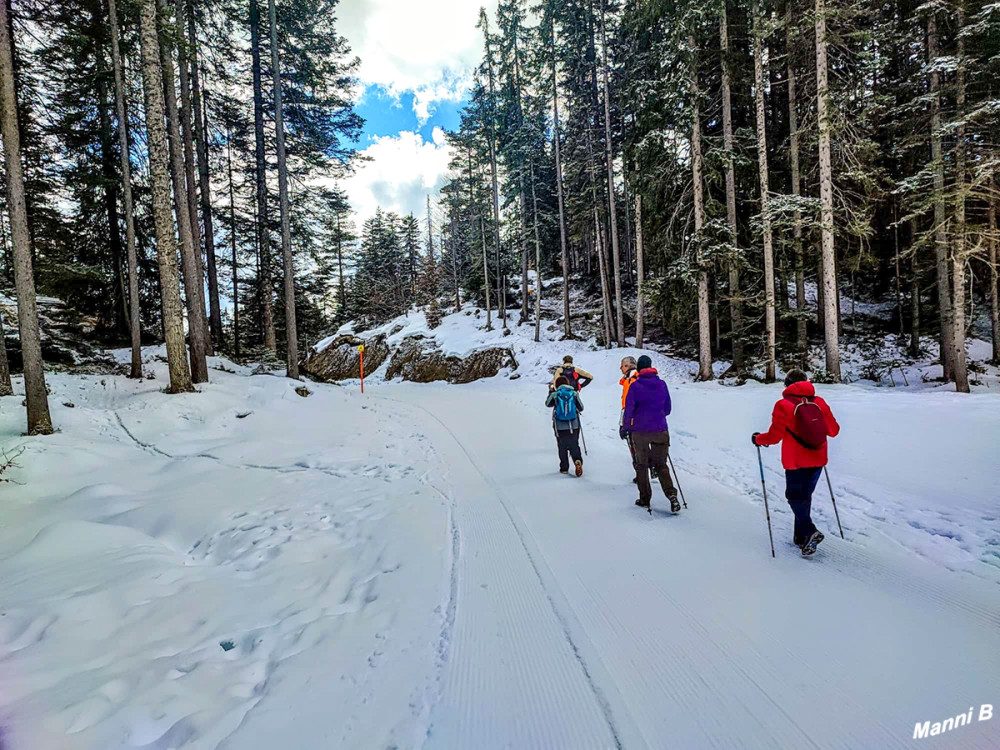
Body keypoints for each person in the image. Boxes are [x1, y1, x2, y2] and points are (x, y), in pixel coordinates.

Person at [752, 369, 841, 556]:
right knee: (804, 497)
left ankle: (809, 530)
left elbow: (775, 436)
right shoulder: (820, 402)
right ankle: (801, 539)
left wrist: (758, 439)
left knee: (794, 497)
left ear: (787, 385)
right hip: (818, 458)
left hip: (796, 461)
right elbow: (833, 431)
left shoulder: (783, 405)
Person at [621, 355, 680, 512]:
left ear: (639, 368)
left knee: (642, 465)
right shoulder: (661, 384)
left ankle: (645, 499)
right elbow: (667, 409)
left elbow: (629, 410)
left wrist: (625, 427)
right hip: (660, 430)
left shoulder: (635, 386)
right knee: (661, 465)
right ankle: (672, 495)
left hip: (640, 432)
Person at [546, 376, 585, 476]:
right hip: (574, 425)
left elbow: (547, 404)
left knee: (562, 446)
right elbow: (581, 407)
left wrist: (550, 392)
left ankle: (564, 467)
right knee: (574, 444)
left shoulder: (555, 394)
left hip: (560, 427)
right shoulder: (574, 393)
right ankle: (577, 460)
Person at [618, 356, 639, 482]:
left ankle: (641, 472)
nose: (620, 368)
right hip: (629, 414)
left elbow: (629, 403)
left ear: (627, 366)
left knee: (634, 445)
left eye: (622, 365)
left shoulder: (634, 379)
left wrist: (625, 423)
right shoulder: (628, 379)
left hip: (632, 417)